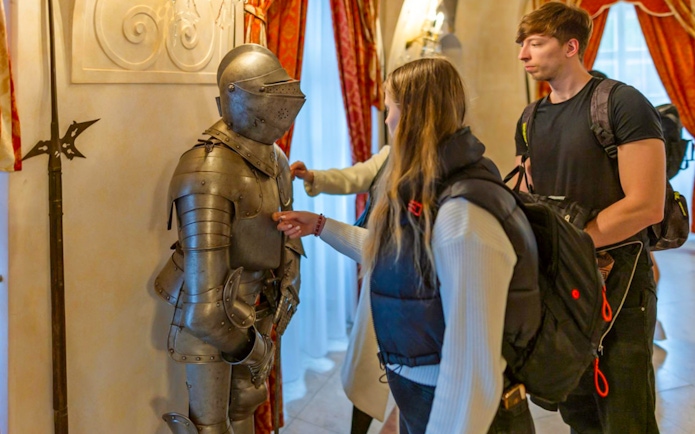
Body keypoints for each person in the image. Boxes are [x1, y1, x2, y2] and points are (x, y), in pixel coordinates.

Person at [274, 57, 538, 434]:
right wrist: (320, 226)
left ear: (412, 114)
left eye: (390, 108)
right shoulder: (425, 185)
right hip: (420, 392)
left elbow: (471, 366)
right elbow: (400, 258)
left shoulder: (462, 211)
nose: (385, 120)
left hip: (451, 406)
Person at [515, 2, 665, 433]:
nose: (523, 54)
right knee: (576, 408)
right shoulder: (530, 119)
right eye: (522, 44)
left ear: (571, 46)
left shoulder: (622, 103)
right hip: (563, 284)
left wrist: (566, 244)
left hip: (619, 279)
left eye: (535, 43)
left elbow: (645, 204)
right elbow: (527, 196)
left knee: (625, 411)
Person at [154, 43, 306, 434]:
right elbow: (203, 311)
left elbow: (286, 236)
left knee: (247, 406)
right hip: (206, 315)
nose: (282, 106)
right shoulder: (208, 167)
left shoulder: (277, 160)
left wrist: (281, 293)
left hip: (255, 305)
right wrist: (255, 349)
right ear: (235, 98)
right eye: (270, 94)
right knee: (212, 424)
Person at [290, 149, 392, 434]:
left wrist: (320, 225)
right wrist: (313, 177)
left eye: (390, 109)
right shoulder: (389, 153)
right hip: (380, 271)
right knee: (370, 373)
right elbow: (355, 175)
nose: (385, 119)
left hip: (406, 279)